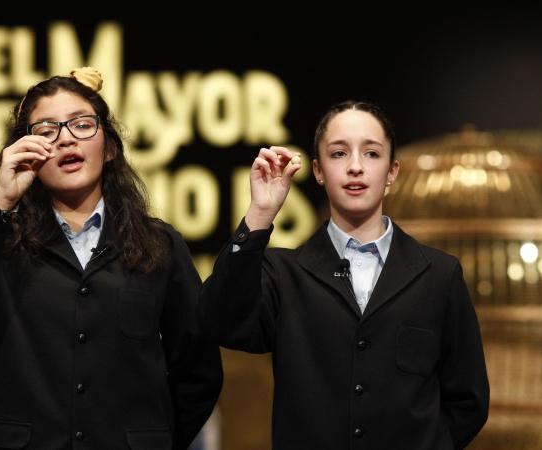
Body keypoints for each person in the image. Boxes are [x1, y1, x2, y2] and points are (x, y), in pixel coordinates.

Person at [0, 67, 222, 449]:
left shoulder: (158, 244)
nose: (65, 140)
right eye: (47, 131)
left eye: (82, 125)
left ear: (110, 147)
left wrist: (152, 439)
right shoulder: (2, 239)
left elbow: (198, 369)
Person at [198, 100, 489, 449]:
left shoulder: (439, 275)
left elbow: (468, 401)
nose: (355, 167)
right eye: (338, 154)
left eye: (371, 153)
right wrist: (260, 213)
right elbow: (217, 320)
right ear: (318, 171)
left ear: (392, 171)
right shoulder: (284, 274)